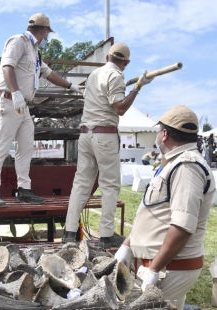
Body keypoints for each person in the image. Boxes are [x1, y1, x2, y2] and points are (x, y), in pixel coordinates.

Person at [113, 105, 215, 310]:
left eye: (159, 131)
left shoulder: (186, 167)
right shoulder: (175, 164)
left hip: (169, 268)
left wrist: (154, 269)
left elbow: (182, 226)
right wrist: (128, 245)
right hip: (168, 267)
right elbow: (152, 214)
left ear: (165, 135)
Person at [62, 42, 153, 248]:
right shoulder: (116, 76)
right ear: (126, 62)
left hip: (86, 134)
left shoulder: (95, 75)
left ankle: (69, 231)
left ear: (107, 58)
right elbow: (120, 108)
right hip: (104, 135)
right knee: (110, 185)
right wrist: (137, 87)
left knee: (81, 184)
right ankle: (105, 234)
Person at [0, 13, 81, 208]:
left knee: (26, 147)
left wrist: (71, 86)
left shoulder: (35, 51)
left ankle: (24, 190)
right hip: (9, 101)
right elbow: (7, 66)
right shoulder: (18, 41)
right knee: (1, 148)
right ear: (44, 31)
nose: (47, 38)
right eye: (47, 34)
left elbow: (49, 74)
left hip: (22, 106)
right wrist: (16, 92)